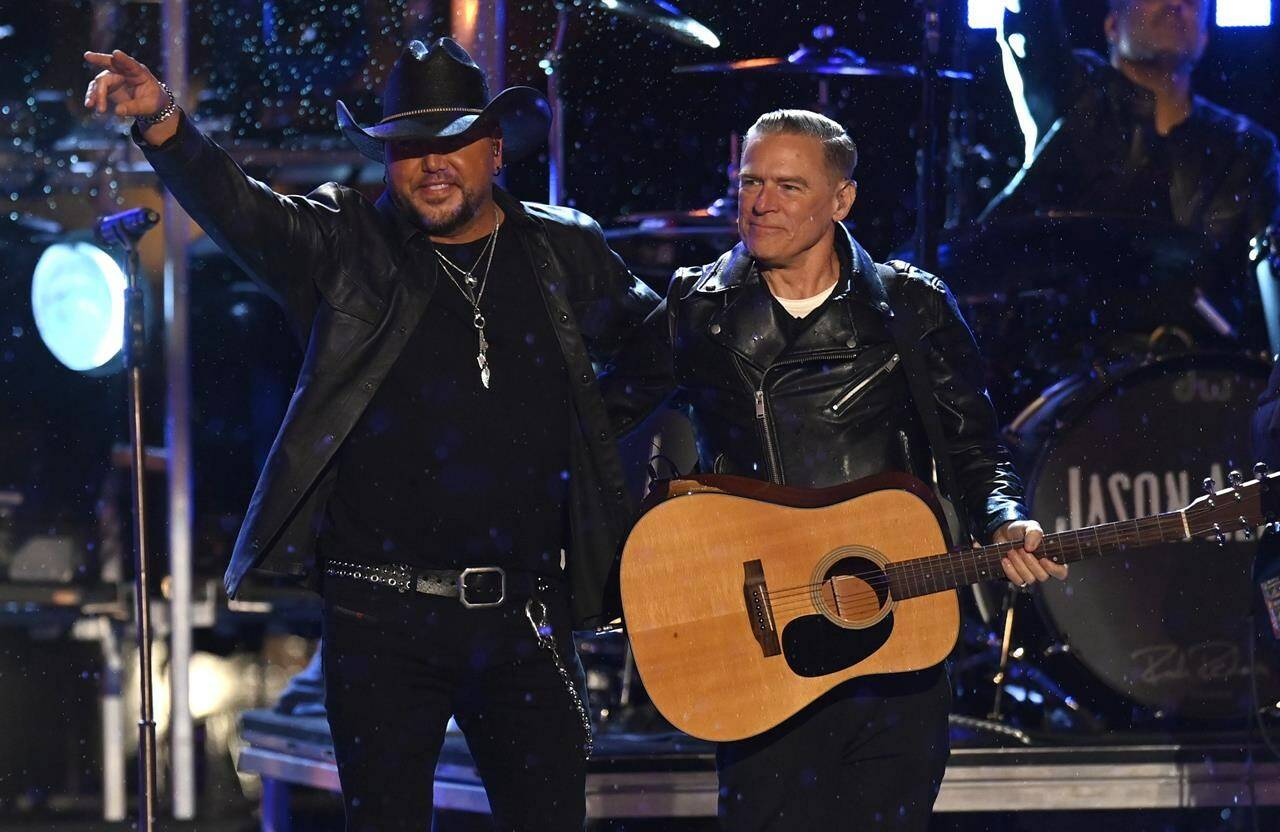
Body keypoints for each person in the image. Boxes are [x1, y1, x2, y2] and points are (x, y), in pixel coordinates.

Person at [83, 38, 659, 831]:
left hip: (526, 614)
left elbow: (659, 346)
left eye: (451, 141)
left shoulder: (565, 247)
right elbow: (243, 209)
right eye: (405, 148)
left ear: (494, 149)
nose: (430, 165)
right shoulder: (342, 240)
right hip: (380, 618)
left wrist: (592, 425)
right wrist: (166, 126)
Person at [600, 109, 1069, 830]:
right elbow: (597, 422)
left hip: (894, 646)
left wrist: (1004, 519)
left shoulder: (909, 306)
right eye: (751, 181)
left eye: (788, 186)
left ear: (840, 200)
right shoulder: (698, 310)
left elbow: (975, 453)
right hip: (763, 650)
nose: (760, 203)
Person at [984, 0, 1280, 262]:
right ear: (1112, 24)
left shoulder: (1246, 148)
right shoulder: (1075, 97)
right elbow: (1028, 16)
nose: (1176, 4)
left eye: (1192, 1)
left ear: (1205, 37)